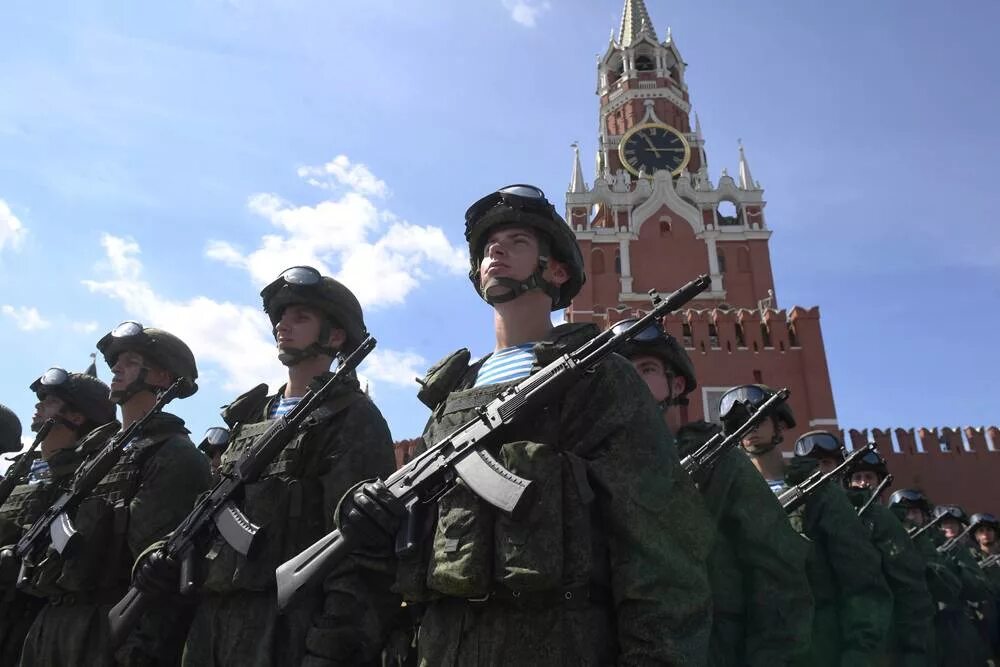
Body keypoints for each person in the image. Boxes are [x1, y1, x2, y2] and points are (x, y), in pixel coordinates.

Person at [342, 184, 714, 664]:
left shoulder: (600, 377)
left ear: (555, 270)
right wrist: (372, 523)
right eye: (488, 246)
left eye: (518, 241)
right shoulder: (453, 394)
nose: (496, 250)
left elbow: (661, 550)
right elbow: (416, 547)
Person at [138, 267, 398, 667]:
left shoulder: (352, 417)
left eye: (301, 317)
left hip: (285, 626)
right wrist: (160, 555)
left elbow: (355, 548)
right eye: (281, 317)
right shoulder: (250, 421)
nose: (283, 325)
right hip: (209, 625)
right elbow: (203, 514)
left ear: (334, 336)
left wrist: (333, 647)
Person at [619, 321, 813, 665]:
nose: (632, 380)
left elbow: (779, 578)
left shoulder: (721, 465)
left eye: (646, 369)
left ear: (676, 384)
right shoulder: (604, 464)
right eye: (623, 370)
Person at [19, 324, 212, 667]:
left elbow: (158, 572)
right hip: (53, 621)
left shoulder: (174, 454)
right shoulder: (92, 456)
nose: (116, 368)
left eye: (132, 360)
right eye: (116, 361)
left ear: (164, 376)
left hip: (107, 626)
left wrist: (140, 650)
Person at [728, 386, 893, 666]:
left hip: (817, 641)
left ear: (779, 424)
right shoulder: (731, 496)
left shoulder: (819, 492)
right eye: (742, 423)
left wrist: (860, 652)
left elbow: (861, 577)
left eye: (757, 420)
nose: (749, 429)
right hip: (756, 643)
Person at [0, 369, 116, 665]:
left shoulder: (89, 478)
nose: (39, 405)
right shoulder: (26, 475)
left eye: (51, 401)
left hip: (38, 614)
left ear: (77, 417)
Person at [841, 446, 935, 665]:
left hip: (892, 626)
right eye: (857, 477)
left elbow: (912, 589)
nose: (863, 482)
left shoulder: (897, 524)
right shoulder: (841, 521)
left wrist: (915, 648)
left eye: (869, 477)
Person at [889, 491, 991, 666]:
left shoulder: (945, 546)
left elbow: (982, 588)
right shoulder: (887, 544)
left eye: (915, 512)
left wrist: (949, 567)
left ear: (924, 516)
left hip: (949, 636)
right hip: (904, 636)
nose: (910, 517)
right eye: (905, 512)